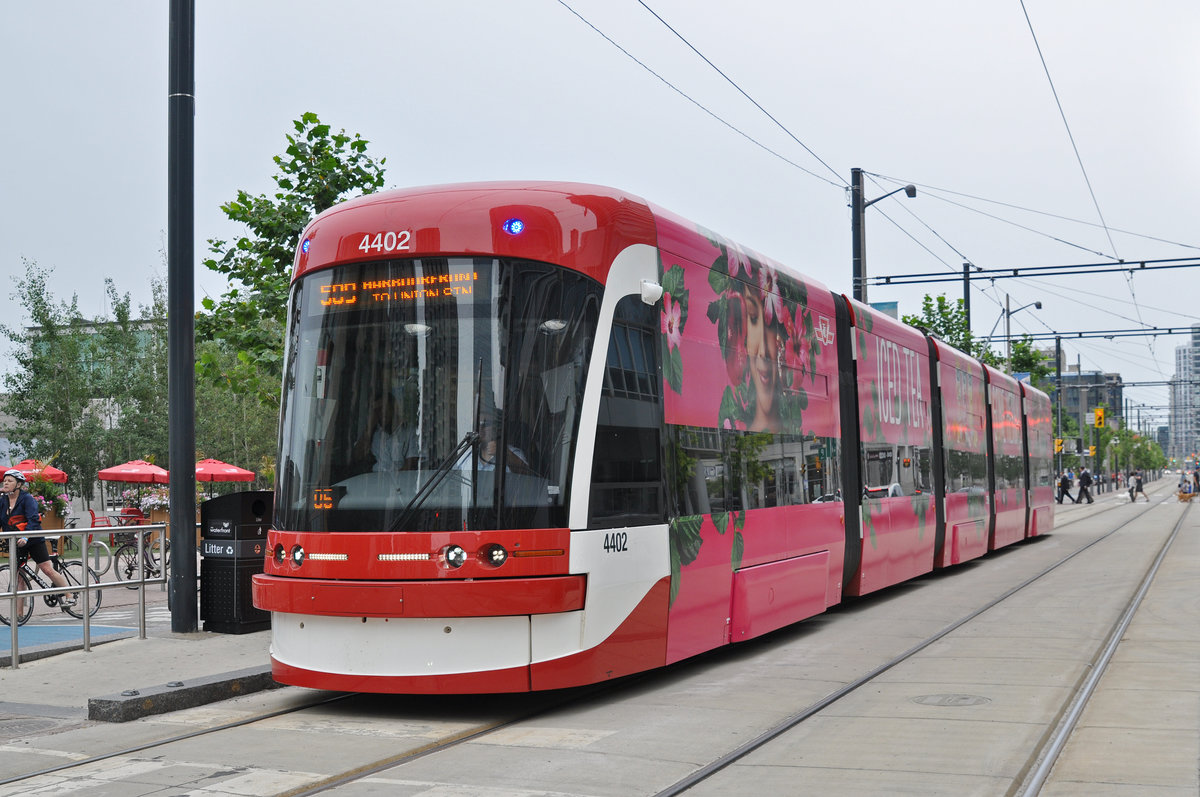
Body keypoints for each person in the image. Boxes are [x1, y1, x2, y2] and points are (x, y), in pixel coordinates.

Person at [1, 468, 73, 615]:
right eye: (4, 480)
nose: (6, 483)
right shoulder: (2, 501)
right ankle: (19, 615)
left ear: (19, 484)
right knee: (20, 578)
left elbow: (34, 519)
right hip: (15, 541)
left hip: (33, 539)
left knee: (47, 569)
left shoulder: (27, 499)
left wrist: (26, 537)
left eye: (10, 481)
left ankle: (69, 595)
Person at [356, 391, 420, 472]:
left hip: (400, 481)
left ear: (393, 408)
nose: (381, 413)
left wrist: (392, 483)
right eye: (377, 410)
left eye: (383, 408)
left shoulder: (410, 432)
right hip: (374, 480)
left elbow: (410, 465)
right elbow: (357, 456)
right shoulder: (374, 433)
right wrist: (370, 427)